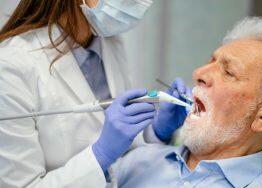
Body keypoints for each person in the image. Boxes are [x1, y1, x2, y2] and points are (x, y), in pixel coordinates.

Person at [0, 0, 191, 187]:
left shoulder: (109, 41)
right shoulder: (10, 67)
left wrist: (155, 132)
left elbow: (122, 155)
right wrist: (99, 156)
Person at [103, 17, 262, 187]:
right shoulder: (141, 159)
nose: (198, 73)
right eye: (210, 61)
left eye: (229, 72)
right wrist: (102, 155)